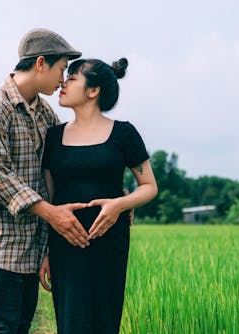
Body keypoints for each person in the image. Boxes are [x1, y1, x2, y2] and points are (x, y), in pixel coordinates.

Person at [0, 28, 91, 334]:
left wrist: (116, 194)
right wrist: (52, 213)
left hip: (32, 249)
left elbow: (62, 168)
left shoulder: (45, 115)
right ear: (41, 63)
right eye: (62, 70)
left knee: (20, 328)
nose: (63, 80)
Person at [39, 57, 158, 333]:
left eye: (72, 78)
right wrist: (45, 251)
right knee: (71, 321)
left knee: (105, 318)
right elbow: (50, 197)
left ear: (93, 91)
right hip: (65, 242)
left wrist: (119, 205)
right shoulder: (53, 138)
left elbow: (149, 186)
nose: (63, 83)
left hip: (109, 240)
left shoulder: (124, 134)